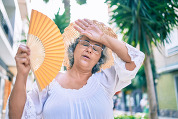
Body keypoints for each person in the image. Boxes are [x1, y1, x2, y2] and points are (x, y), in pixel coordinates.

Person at [7, 19, 145, 119]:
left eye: (96, 48)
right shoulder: (49, 82)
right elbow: (16, 116)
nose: (90, 49)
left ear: (99, 59)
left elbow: (135, 59)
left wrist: (103, 38)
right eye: (85, 43)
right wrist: (22, 75)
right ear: (73, 49)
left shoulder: (106, 80)